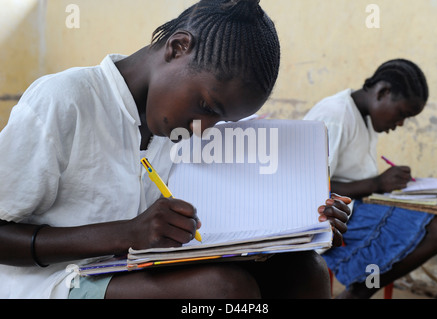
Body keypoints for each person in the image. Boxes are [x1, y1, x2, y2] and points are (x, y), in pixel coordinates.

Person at [0, 0, 350, 299]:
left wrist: (307, 223)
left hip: (142, 269)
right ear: (177, 47)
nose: (206, 128)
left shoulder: (184, 126)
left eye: (222, 120)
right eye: (208, 107)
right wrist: (127, 232)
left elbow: (225, 226)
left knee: (305, 272)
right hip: (61, 279)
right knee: (222, 292)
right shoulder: (65, 101)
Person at [304, 59, 437, 299]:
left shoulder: (364, 116)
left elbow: (353, 173)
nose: (401, 123)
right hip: (332, 215)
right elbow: (310, 185)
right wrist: (377, 184)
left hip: (358, 205)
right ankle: (360, 292)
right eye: (402, 114)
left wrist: (386, 185)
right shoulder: (335, 115)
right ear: (383, 92)